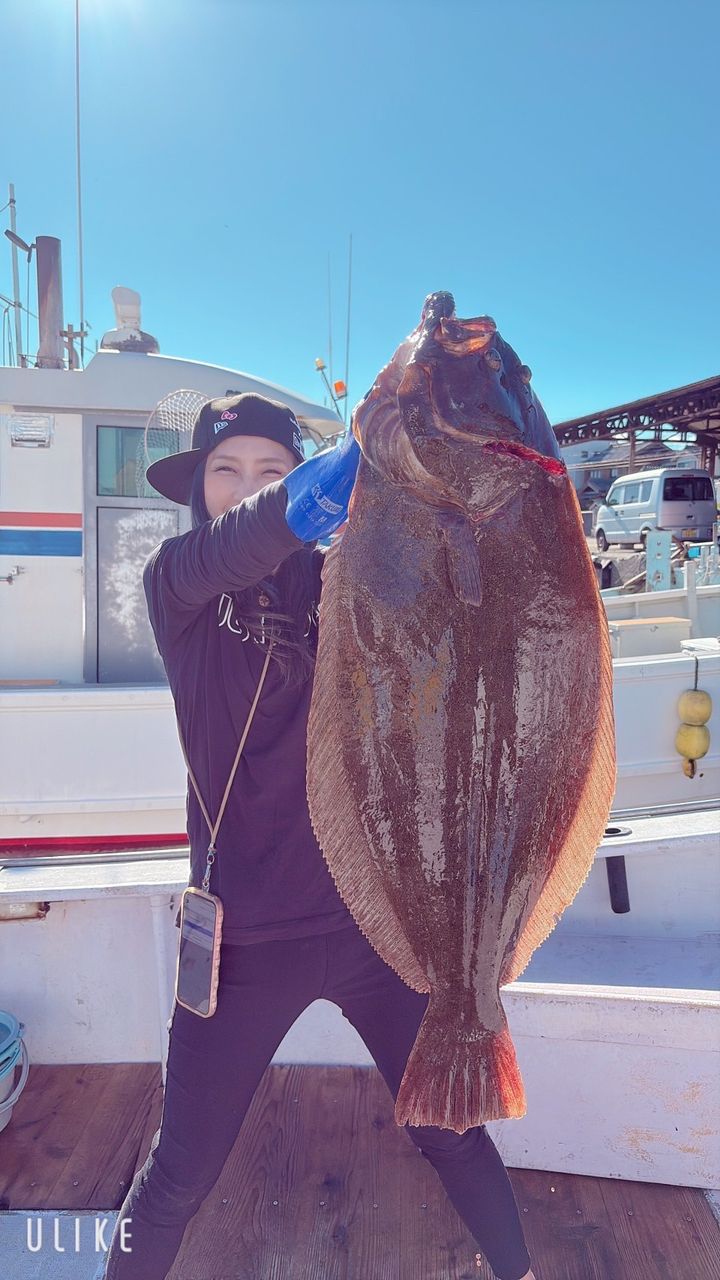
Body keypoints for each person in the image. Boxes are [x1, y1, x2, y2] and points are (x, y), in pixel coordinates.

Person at [96, 391, 535, 1280]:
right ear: (199, 493)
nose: (247, 486)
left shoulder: (350, 578)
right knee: (181, 1175)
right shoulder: (177, 582)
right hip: (241, 946)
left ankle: (521, 1271)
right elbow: (251, 536)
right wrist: (327, 480)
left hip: (381, 929)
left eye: (273, 468)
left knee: (453, 1133)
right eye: (227, 470)